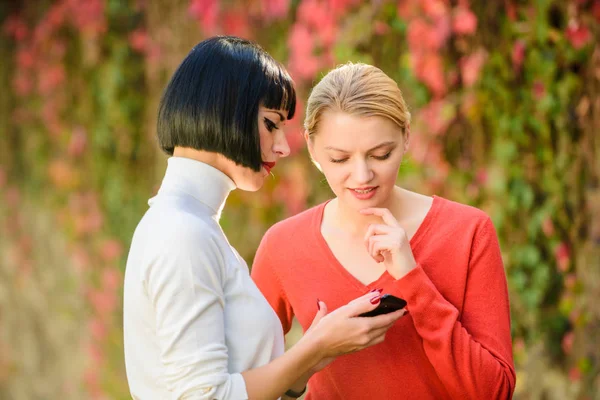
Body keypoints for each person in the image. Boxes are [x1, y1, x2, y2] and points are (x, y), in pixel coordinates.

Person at [123, 37, 405, 400]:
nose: (283, 147)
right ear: (224, 111)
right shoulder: (183, 234)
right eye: (271, 124)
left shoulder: (190, 225)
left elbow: (231, 378)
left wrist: (315, 353)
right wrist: (313, 349)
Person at [251, 62, 516, 399]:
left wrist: (412, 278)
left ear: (406, 136)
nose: (362, 176)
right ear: (312, 148)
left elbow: (494, 392)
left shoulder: (468, 232)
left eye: (380, 154)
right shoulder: (283, 245)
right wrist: (312, 354)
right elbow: (240, 382)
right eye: (340, 159)